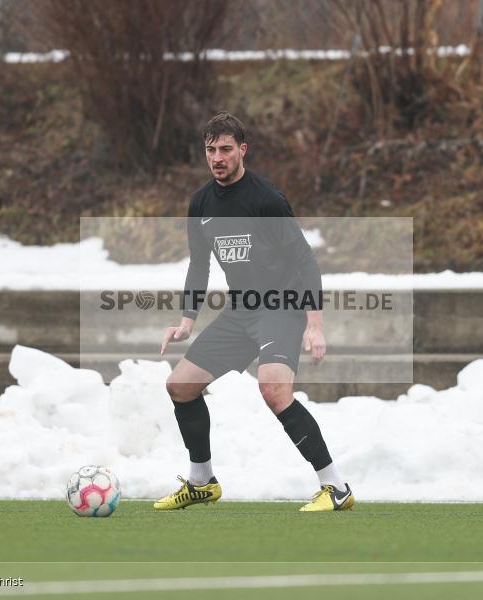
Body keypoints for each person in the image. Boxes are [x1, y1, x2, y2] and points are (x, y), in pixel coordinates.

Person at [155, 112, 354, 512]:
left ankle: (336, 488)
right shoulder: (201, 203)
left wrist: (314, 323)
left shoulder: (266, 199)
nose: (217, 158)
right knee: (180, 385)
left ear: (242, 150)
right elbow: (199, 265)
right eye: (210, 150)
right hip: (240, 311)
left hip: (281, 307)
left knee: (274, 390)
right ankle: (201, 481)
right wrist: (187, 320)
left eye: (226, 149)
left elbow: (305, 260)